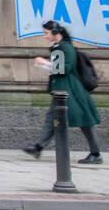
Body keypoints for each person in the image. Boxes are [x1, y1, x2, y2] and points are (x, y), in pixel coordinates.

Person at [23, 20, 102, 164]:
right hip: (62, 90)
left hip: (70, 90)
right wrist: (45, 65)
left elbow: (62, 69)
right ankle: (38, 147)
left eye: (46, 33)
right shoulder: (59, 47)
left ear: (55, 33)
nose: (45, 36)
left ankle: (95, 153)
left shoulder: (63, 47)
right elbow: (58, 70)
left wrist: (43, 63)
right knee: (52, 118)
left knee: (84, 121)